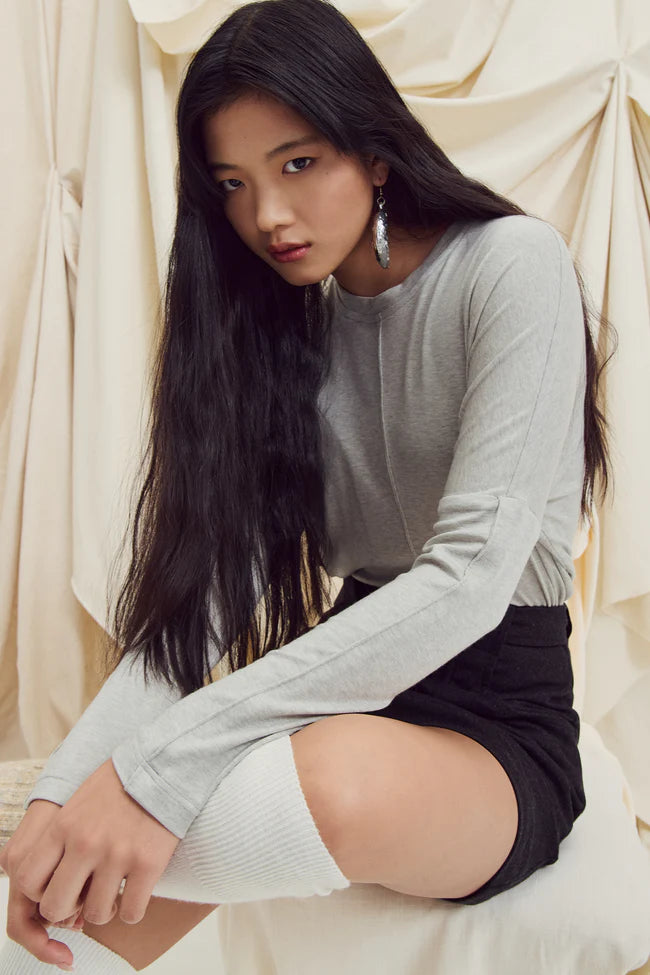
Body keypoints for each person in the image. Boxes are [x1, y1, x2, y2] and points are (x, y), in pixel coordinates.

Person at [0, 0, 617, 971]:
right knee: (84, 877)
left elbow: (468, 581)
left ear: (373, 153)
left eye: (296, 164)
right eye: (233, 184)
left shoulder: (511, 265)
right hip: (339, 685)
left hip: (496, 715)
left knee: (312, 779)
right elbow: (204, 607)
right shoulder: (285, 335)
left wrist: (157, 764)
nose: (267, 217)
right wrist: (61, 788)